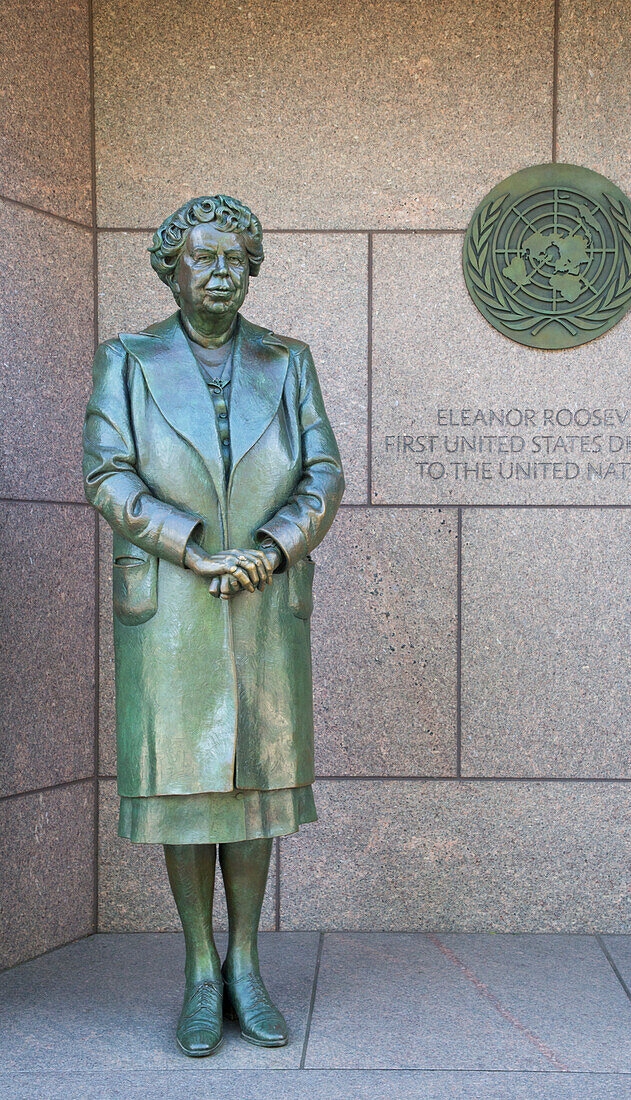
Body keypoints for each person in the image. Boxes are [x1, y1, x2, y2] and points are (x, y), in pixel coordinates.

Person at [83, 195, 344, 1057]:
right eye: (204, 258)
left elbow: (323, 474)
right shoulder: (127, 359)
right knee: (187, 788)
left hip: (266, 598)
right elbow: (108, 475)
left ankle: (246, 962)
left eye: (237, 258)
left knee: (254, 788)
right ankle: (199, 968)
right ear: (172, 267)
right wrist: (192, 550)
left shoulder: (288, 359)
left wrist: (270, 550)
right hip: (171, 601)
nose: (223, 272)